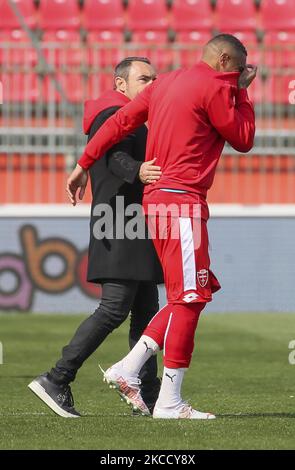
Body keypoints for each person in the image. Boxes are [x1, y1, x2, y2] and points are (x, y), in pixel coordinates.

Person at [66, 34, 257, 420]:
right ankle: (169, 401)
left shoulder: (166, 82)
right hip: (181, 201)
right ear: (224, 61)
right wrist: (242, 94)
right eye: (236, 70)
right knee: (190, 298)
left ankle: (129, 367)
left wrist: (83, 162)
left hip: (160, 202)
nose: (236, 77)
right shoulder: (215, 86)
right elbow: (244, 138)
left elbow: (120, 122)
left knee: (188, 295)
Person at [28, 57, 164, 418]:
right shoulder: (112, 114)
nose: (153, 83)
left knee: (147, 315)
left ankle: (149, 395)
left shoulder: (130, 116)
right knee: (114, 308)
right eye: (144, 78)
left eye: (155, 78)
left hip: (133, 221)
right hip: (120, 221)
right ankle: (56, 378)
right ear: (121, 85)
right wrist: (139, 170)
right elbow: (115, 156)